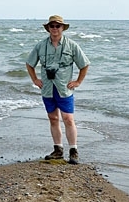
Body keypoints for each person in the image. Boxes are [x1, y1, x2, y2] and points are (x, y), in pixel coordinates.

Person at [26, 15, 90, 164]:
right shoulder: (40, 45)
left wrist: (78, 81)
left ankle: (73, 151)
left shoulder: (72, 45)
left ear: (63, 28)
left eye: (57, 26)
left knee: (68, 119)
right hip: (47, 88)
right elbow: (30, 64)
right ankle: (58, 150)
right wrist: (35, 79)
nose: (55, 28)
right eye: (52, 26)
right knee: (53, 118)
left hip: (64, 88)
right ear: (48, 28)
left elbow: (84, 64)